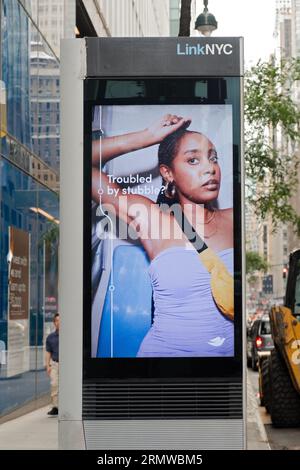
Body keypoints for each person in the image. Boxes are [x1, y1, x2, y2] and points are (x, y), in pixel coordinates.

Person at [92, 114, 234, 356]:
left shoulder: (234, 220)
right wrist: (146, 137)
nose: (210, 168)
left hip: (221, 377)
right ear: (168, 174)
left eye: (213, 158)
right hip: (160, 368)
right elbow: (80, 160)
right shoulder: (153, 220)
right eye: (193, 160)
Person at [45, 313, 59, 416]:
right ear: (54, 323)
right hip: (55, 364)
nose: (59, 322)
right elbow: (48, 352)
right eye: (57, 320)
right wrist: (47, 365)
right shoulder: (50, 337)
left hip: (68, 365)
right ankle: (55, 407)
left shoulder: (69, 336)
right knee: (54, 384)